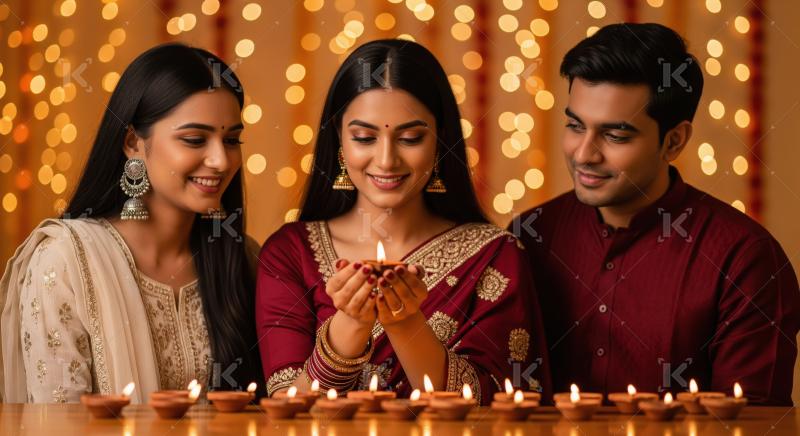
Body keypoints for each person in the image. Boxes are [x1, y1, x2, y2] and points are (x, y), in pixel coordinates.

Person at [510, 23, 799, 405]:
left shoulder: (744, 258)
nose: (583, 154)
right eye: (575, 126)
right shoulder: (530, 234)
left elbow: (752, 425)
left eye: (615, 136)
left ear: (674, 140)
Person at [256, 39, 550, 404]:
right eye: (364, 137)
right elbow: (288, 412)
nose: (386, 160)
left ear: (441, 141)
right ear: (339, 142)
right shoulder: (290, 253)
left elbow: (496, 406)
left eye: (410, 138)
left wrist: (405, 322)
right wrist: (351, 324)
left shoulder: (494, 254)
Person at [0, 43, 263, 403]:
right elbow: (58, 421)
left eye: (231, 140)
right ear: (133, 143)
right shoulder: (66, 262)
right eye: (194, 139)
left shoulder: (243, 258)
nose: (220, 160)